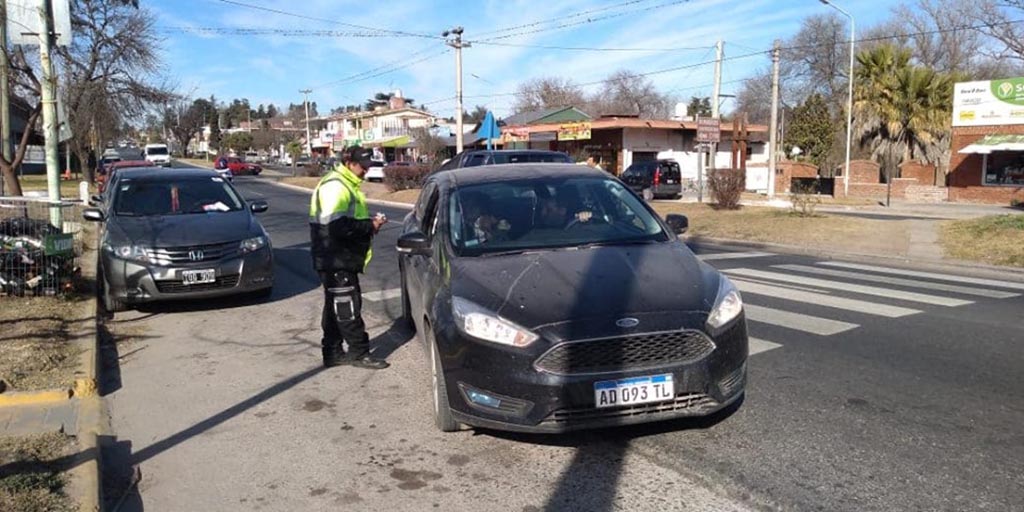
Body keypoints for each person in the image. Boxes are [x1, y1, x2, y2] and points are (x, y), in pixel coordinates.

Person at [309, 146, 389, 369]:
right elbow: (337, 227)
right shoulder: (336, 187)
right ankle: (359, 353)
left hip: (336, 257)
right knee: (347, 307)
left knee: (335, 306)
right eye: (362, 166)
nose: (365, 171)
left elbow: (344, 222)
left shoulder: (344, 184)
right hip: (336, 258)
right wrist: (370, 225)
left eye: (368, 166)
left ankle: (332, 351)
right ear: (349, 163)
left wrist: (369, 225)